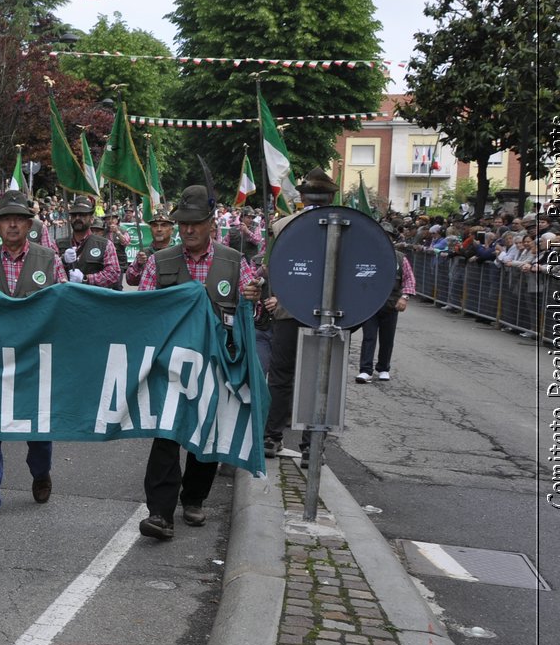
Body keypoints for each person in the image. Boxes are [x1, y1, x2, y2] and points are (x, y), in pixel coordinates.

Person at [136, 184, 257, 540]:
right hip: (171, 364)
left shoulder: (235, 262)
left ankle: (194, 498)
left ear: (210, 224)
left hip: (217, 363)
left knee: (207, 433)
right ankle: (159, 512)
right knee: (166, 435)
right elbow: (142, 310)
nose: (188, 230)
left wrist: (255, 296)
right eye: (182, 223)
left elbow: (253, 309)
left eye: (195, 223)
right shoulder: (160, 262)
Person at [0, 189, 68, 524]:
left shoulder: (49, 259)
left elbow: (66, 304)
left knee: (37, 431)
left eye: (18, 219)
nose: (12, 225)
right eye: (6, 219)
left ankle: (41, 472)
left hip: (35, 361)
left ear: (28, 224)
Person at [260, 169, 337, 458]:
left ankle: (274, 436)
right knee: (320, 378)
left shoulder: (282, 226)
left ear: (303, 196)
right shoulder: (344, 224)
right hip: (322, 313)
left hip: (293, 310)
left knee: (283, 376)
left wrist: (274, 297)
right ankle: (311, 444)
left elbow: (269, 270)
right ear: (331, 195)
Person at [356, 219, 416, 383]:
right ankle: (365, 370)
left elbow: (409, 280)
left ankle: (383, 368)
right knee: (369, 337)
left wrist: (404, 297)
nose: (385, 238)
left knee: (387, 338)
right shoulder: (366, 256)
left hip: (391, 304)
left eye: (388, 236)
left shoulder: (400, 258)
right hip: (370, 305)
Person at [59, 195, 121, 287]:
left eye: (82, 215)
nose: (77, 218)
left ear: (91, 219)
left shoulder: (105, 245)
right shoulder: (57, 244)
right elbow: (48, 272)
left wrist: (86, 279)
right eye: (74, 215)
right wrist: (62, 261)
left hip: (93, 299)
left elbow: (114, 274)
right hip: (67, 298)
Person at [125, 204, 175, 286]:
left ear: (172, 230)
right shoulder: (144, 253)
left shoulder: (180, 252)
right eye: (155, 226)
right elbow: (130, 281)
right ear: (150, 230)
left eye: (164, 225)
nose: (159, 229)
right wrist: (138, 265)